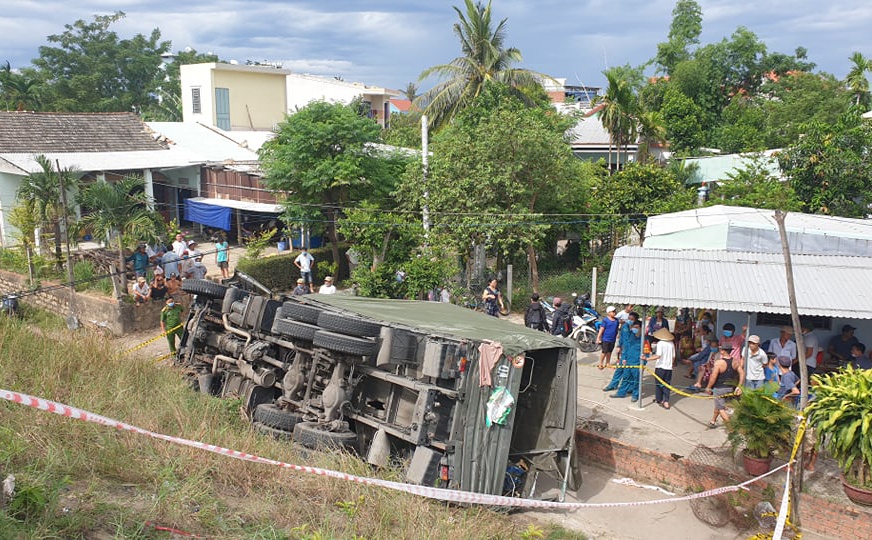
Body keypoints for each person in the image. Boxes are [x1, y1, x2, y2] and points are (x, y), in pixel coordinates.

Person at [705, 344, 746, 427]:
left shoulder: (719, 363)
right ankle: (713, 421)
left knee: (721, 409)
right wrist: (739, 386)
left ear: (722, 351)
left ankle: (732, 426)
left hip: (719, 388)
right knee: (718, 405)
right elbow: (742, 373)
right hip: (731, 388)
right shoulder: (735, 361)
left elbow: (713, 377)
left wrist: (708, 387)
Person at [610, 319, 644, 402]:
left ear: (641, 328)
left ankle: (635, 395)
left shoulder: (644, 340)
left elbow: (646, 354)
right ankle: (621, 393)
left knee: (636, 381)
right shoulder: (631, 336)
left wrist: (643, 363)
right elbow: (626, 348)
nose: (634, 329)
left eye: (636, 327)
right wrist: (624, 358)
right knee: (625, 378)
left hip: (637, 364)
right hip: (628, 361)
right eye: (634, 327)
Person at [605, 311, 638, 392]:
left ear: (635, 320)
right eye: (629, 318)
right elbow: (621, 337)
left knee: (630, 371)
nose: (629, 320)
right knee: (619, 369)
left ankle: (630, 387)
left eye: (632, 319)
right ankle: (613, 385)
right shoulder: (624, 326)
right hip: (624, 351)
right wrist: (619, 346)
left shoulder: (637, 327)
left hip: (633, 352)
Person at [647, 327, 676, 409]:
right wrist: (671, 364)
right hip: (669, 368)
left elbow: (658, 356)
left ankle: (659, 399)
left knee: (659, 384)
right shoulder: (671, 344)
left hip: (660, 367)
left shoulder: (660, 343)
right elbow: (673, 357)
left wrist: (647, 359)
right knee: (667, 384)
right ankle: (666, 401)